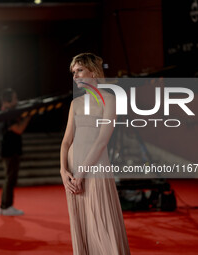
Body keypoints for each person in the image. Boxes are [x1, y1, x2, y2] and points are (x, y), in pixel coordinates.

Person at [60, 53, 131, 254]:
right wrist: (63, 171)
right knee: (81, 223)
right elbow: (66, 142)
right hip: (73, 170)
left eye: (80, 70)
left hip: (96, 167)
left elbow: (101, 141)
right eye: (73, 72)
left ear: (94, 71)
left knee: (102, 223)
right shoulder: (75, 104)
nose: (75, 76)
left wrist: (81, 173)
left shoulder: (110, 100)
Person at [0, 88, 31, 216]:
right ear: (8, 100)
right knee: (10, 179)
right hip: (9, 150)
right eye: (15, 98)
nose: (17, 101)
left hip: (11, 149)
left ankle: (4, 205)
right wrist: (28, 116)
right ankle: (6, 206)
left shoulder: (7, 113)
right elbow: (18, 129)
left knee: (10, 178)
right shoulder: (6, 114)